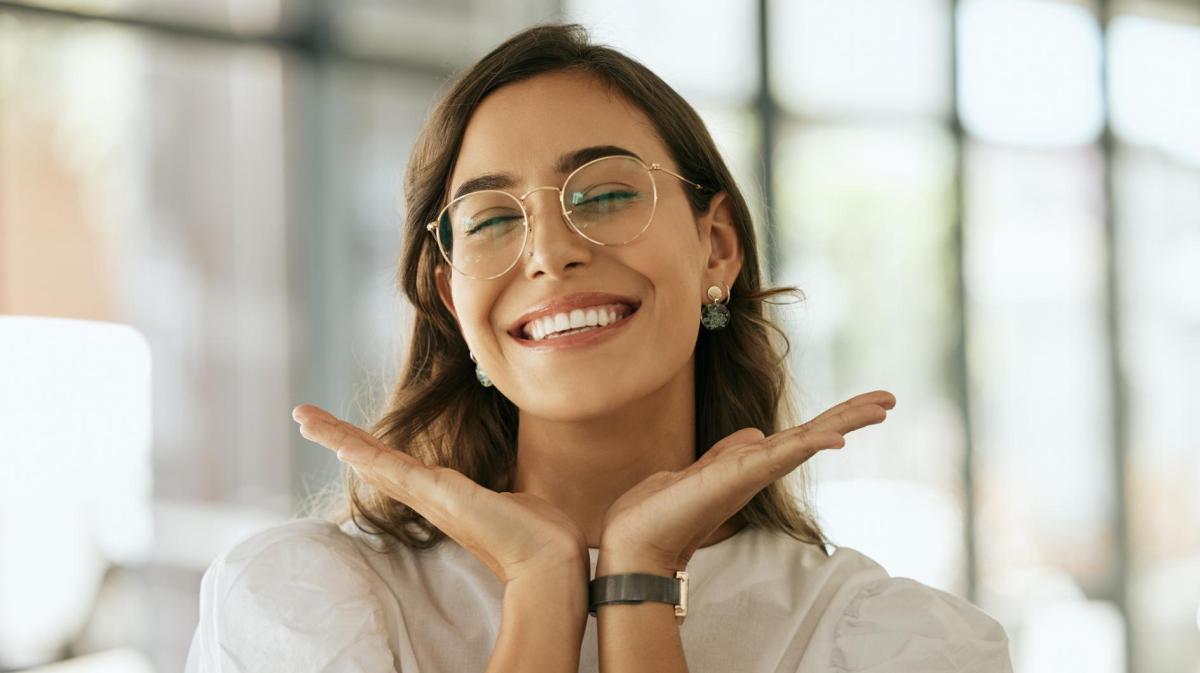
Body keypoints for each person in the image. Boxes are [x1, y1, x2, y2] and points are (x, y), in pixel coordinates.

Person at [183, 22, 1012, 673]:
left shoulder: (886, 640)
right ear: (452, 301)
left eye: (607, 193)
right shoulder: (305, 602)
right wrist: (542, 592)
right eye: (493, 219)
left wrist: (638, 584)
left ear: (716, 246)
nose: (547, 251)